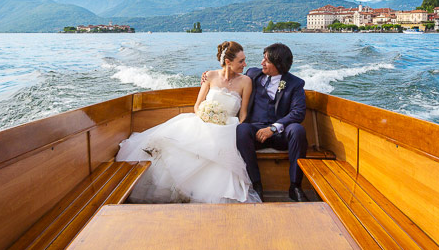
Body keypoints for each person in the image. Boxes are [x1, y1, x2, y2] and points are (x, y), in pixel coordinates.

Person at [116, 41, 259, 203]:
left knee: (220, 149)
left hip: (229, 127)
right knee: (181, 145)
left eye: (244, 60)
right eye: (241, 61)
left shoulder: (246, 81)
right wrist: (204, 118)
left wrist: (234, 128)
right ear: (228, 62)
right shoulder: (210, 76)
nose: (245, 64)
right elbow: (198, 105)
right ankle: (185, 189)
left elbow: (244, 114)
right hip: (203, 122)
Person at [236, 43, 308, 202]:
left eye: (266, 60)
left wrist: (273, 128)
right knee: (241, 129)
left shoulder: (296, 84)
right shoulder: (252, 74)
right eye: (263, 58)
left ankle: (295, 186)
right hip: (255, 133)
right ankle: (256, 185)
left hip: (281, 134)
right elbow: (229, 74)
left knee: (298, 130)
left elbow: (298, 112)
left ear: (278, 64)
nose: (262, 62)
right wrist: (209, 75)